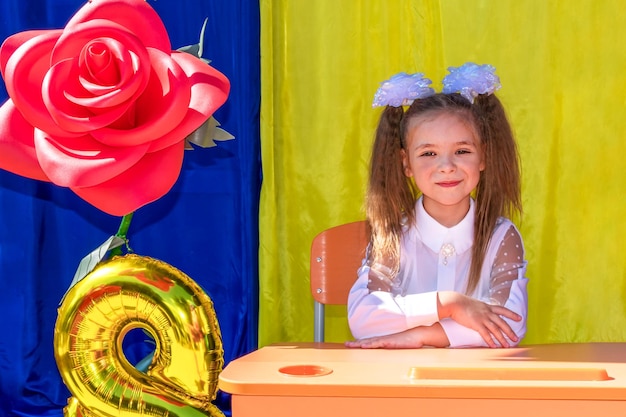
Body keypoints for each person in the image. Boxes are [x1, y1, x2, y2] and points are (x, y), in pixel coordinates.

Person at [346, 63, 528, 349]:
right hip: (402, 383)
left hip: (476, 383)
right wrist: (451, 304)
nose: (446, 167)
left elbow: (510, 326)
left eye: (462, 151)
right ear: (406, 163)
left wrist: (419, 336)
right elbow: (363, 318)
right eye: (429, 153)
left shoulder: (500, 235)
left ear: (483, 157)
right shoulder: (392, 235)